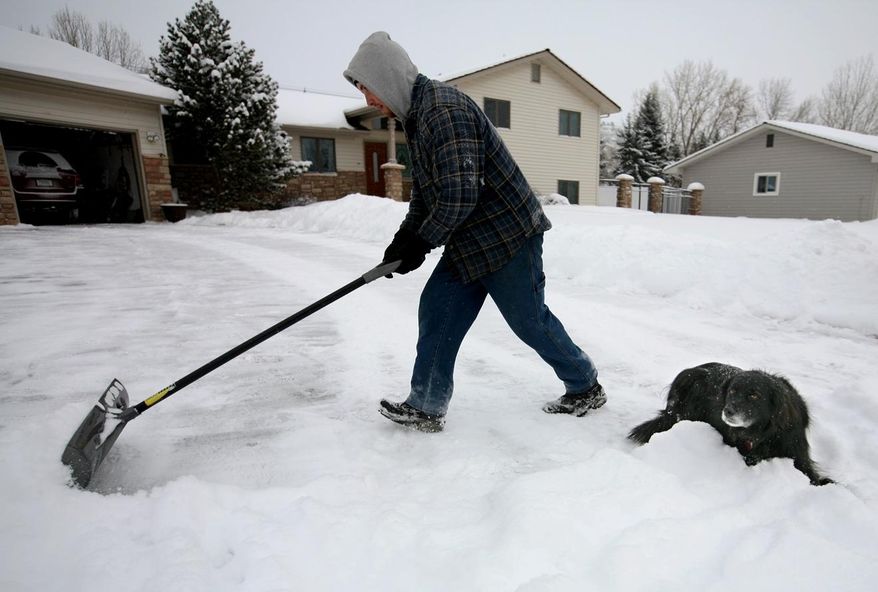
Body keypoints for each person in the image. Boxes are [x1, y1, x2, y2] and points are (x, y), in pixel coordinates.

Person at [344, 32, 605, 432]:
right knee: (438, 310)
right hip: (469, 237)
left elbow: (459, 195)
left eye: (370, 89)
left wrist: (422, 242)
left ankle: (585, 385)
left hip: (507, 234)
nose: (369, 101)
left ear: (389, 78)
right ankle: (426, 405)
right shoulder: (418, 117)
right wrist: (403, 241)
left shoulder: (444, 111)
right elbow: (428, 197)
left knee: (529, 321)